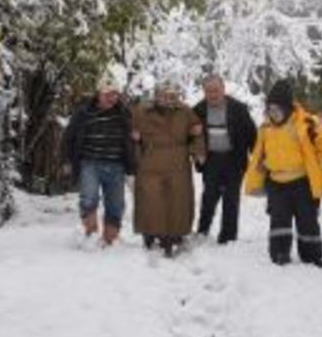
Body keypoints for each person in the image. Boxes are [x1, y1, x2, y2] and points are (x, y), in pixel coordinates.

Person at [244, 79, 322, 267]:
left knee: (307, 220)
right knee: (279, 222)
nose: (273, 114)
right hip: (276, 183)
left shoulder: (306, 124)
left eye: (276, 110)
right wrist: (259, 171)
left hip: (302, 182)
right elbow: (260, 153)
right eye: (269, 110)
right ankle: (279, 254)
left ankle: (311, 256)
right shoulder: (266, 128)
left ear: (287, 108)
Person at [58, 75, 136, 245]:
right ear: (98, 93)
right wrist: (66, 161)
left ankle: (110, 239)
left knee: (116, 204)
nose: (112, 98)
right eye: (107, 94)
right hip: (90, 162)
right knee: (88, 198)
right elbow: (68, 137)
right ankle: (91, 233)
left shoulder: (124, 113)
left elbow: (135, 137)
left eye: (115, 94)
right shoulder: (84, 112)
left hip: (116, 164)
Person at [132, 80, 206, 257]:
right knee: (151, 200)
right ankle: (150, 233)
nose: (168, 99)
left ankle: (175, 235)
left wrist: (198, 152)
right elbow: (131, 135)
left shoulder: (186, 112)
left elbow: (197, 133)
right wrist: (134, 151)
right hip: (151, 159)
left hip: (177, 160)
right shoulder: (142, 111)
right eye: (164, 95)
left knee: (177, 199)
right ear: (156, 95)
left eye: (172, 95)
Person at [192, 74, 257, 244]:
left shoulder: (239, 109)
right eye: (208, 91)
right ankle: (202, 231)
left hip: (234, 159)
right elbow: (191, 137)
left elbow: (252, 136)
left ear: (223, 89)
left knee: (231, 200)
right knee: (209, 198)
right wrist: (196, 154)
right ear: (204, 92)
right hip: (211, 160)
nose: (212, 94)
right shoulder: (197, 111)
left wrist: (258, 160)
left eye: (216, 90)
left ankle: (228, 237)